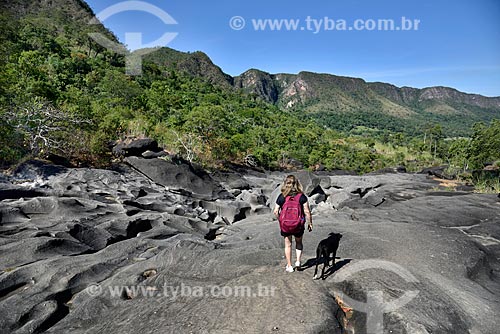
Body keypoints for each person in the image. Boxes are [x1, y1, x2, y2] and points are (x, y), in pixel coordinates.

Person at [273, 175, 313, 273]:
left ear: (286, 183)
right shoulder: (301, 196)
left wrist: (280, 221)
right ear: (297, 184)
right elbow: (307, 211)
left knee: (288, 245)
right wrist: (310, 223)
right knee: (299, 242)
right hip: (298, 225)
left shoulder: (282, 196)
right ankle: (298, 262)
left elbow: (275, 211)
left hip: (285, 225)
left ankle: (290, 266)